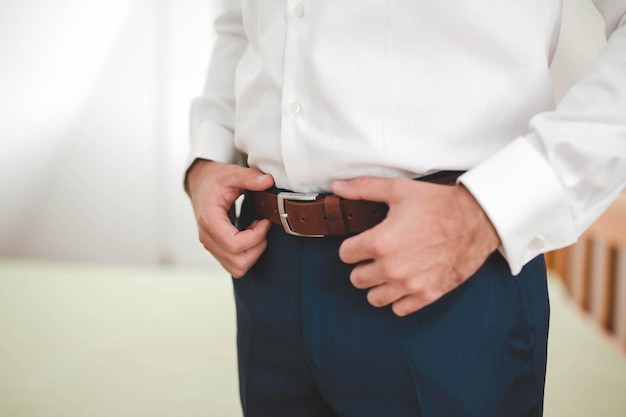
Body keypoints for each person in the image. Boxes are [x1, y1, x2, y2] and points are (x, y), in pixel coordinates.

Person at [185, 1, 626, 416]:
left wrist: (488, 212)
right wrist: (208, 152)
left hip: (448, 279)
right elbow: (239, 25)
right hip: (269, 273)